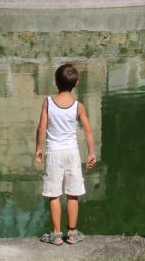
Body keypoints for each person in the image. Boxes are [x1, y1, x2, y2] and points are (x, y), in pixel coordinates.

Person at [34, 63, 97, 245]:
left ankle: (56, 234)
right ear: (76, 83)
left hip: (53, 152)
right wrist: (91, 152)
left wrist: (38, 148)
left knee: (54, 194)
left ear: (55, 82)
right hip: (72, 153)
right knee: (72, 194)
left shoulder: (48, 102)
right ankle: (72, 232)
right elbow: (88, 131)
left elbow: (41, 127)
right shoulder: (78, 106)